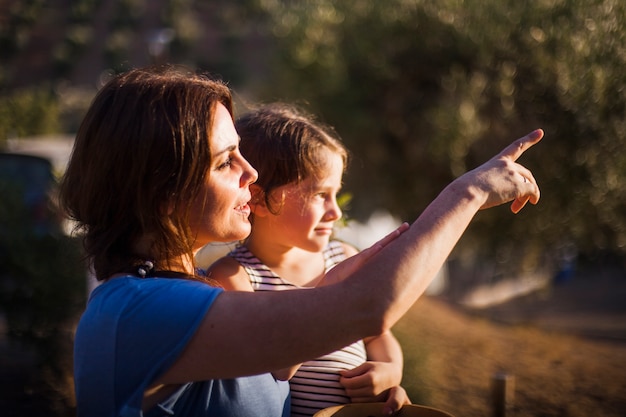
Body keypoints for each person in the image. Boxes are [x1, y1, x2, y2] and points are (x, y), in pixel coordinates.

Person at [59, 64, 543, 417]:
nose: (251, 172)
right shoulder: (137, 311)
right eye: (227, 161)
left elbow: (299, 353)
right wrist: (469, 191)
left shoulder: (185, 294)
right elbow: (371, 308)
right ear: (163, 190)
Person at [205, 103, 406, 416]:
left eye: (335, 194)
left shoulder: (343, 257)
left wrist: (389, 372)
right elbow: (270, 367)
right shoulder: (235, 278)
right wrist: (325, 292)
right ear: (258, 198)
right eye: (319, 194)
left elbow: (379, 335)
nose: (335, 211)